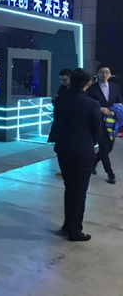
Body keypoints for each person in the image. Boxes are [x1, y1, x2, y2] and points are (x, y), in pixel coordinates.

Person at [52, 68, 102, 241]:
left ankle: (68, 225)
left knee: (69, 187)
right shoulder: (92, 104)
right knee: (79, 190)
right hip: (83, 150)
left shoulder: (60, 101)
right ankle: (75, 230)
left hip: (64, 148)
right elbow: (97, 130)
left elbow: (57, 123)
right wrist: (89, 143)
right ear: (88, 83)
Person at [87, 65, 122, 184]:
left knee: (109, 148)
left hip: (111, 122)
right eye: (101, 72)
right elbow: (89, 104)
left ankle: (93, 163)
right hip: (98, 121)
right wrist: (100, 109)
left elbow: (119, 101)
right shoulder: (92, 88)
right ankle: (110, 174)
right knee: (104, 147)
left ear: (110, 74)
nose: (104, 74)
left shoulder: (115, 87)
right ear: (97, 74)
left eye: (107, 72)